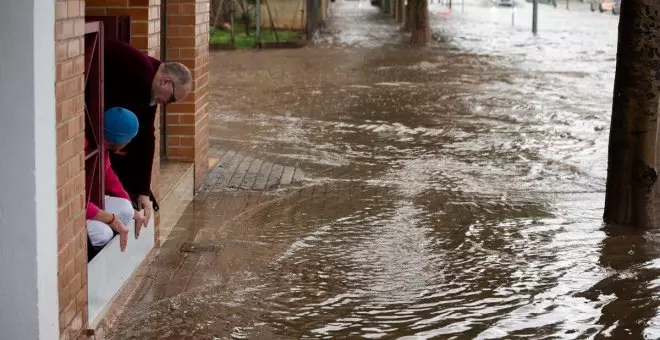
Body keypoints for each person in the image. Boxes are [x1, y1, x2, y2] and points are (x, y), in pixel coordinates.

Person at [104, 39, 193, 228]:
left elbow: (147, 136)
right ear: (166, 81)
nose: (167, 104)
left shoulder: (151, 79)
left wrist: (143, 190)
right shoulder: (140, 74)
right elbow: (137, 136)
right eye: (171, 99)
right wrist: (137, 191)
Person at [86, 107, 146, 253]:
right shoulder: (86, 149)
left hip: (88, 205)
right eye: (129, 139)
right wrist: (111, 219)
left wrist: (132, 209)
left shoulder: (102, 149)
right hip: (72, 212)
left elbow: (109, 176)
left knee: (126, 210)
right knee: (103, 233)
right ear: (120, 139)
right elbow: (73, 202)